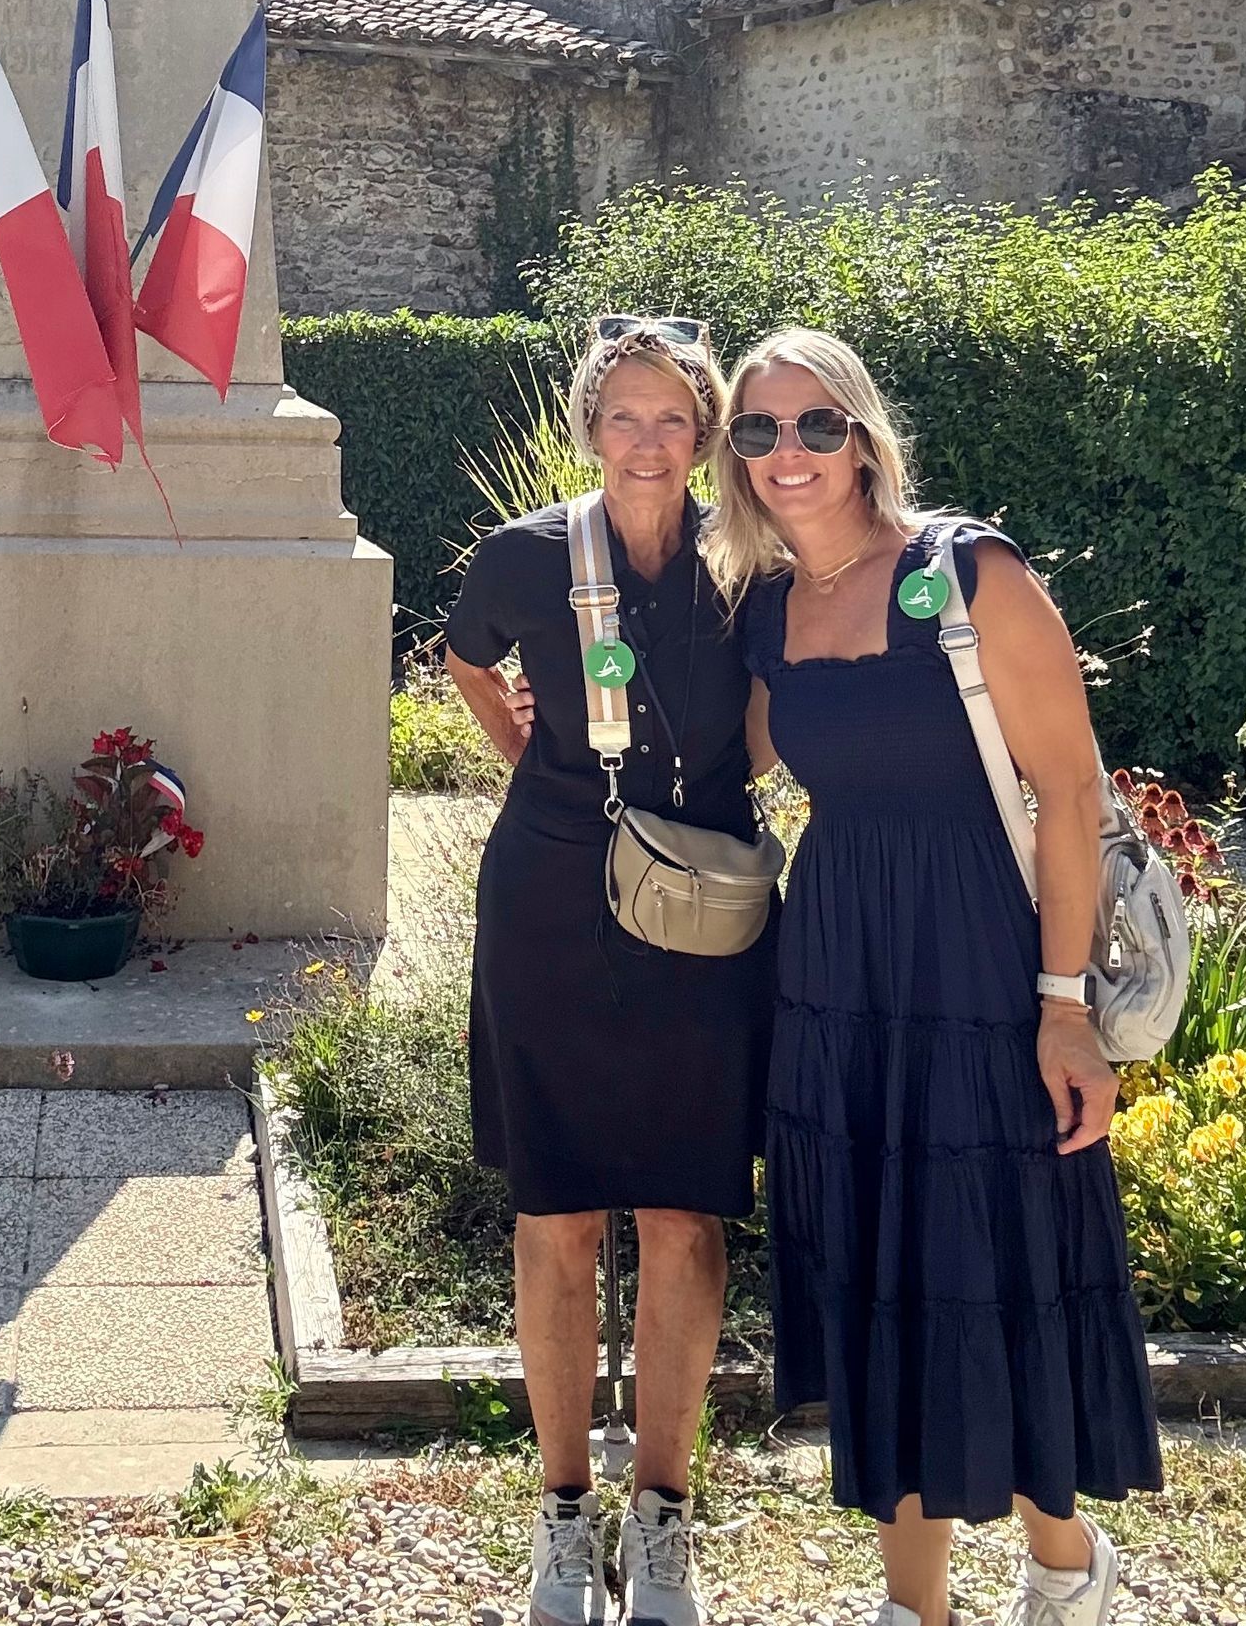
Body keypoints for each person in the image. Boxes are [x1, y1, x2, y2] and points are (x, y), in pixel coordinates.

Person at [710, 326, 1161, 1626]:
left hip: (979, 963)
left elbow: (1068, 790)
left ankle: (1063, 1558)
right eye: (758, 430)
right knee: (876, 1263)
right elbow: (731, 760)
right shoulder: (766, 609)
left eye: (816, 424)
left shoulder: (965, 574)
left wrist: (1064, 1010)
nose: (789, 452)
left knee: (994, 1252)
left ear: (862, 437)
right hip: (837, 965)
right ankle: (917, 1605)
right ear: (736, 458)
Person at [445, 314, 780, 1626]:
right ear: (592, 426)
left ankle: (665, 1514)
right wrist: (533, 752)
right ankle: (563, 1515)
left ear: (706, 432)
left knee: (687, 1216)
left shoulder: (751, 557)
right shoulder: (526, 557)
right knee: (560, 1214)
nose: (649, 440)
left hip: (705, 907)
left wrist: (712, 789)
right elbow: (467, 656)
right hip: (550, 902)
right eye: (625, 415)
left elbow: (779, 702)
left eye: (673, 417)